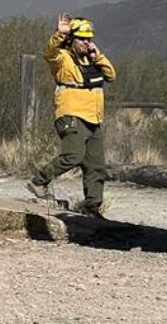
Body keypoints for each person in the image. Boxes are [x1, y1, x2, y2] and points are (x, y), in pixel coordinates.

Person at [28, 14, 116, 217]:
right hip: (71, 114)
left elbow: (111, 75)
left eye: (89, 39)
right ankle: (39, 181)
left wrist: (98, 57)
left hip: (94, 117)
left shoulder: (92, 59)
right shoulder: (62, 58)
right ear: (72, 40)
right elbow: (48, 52)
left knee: (96, 165)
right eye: (82, 39)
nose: (87, 42)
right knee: (73, 155)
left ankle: (92, 208)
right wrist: (60, 33)